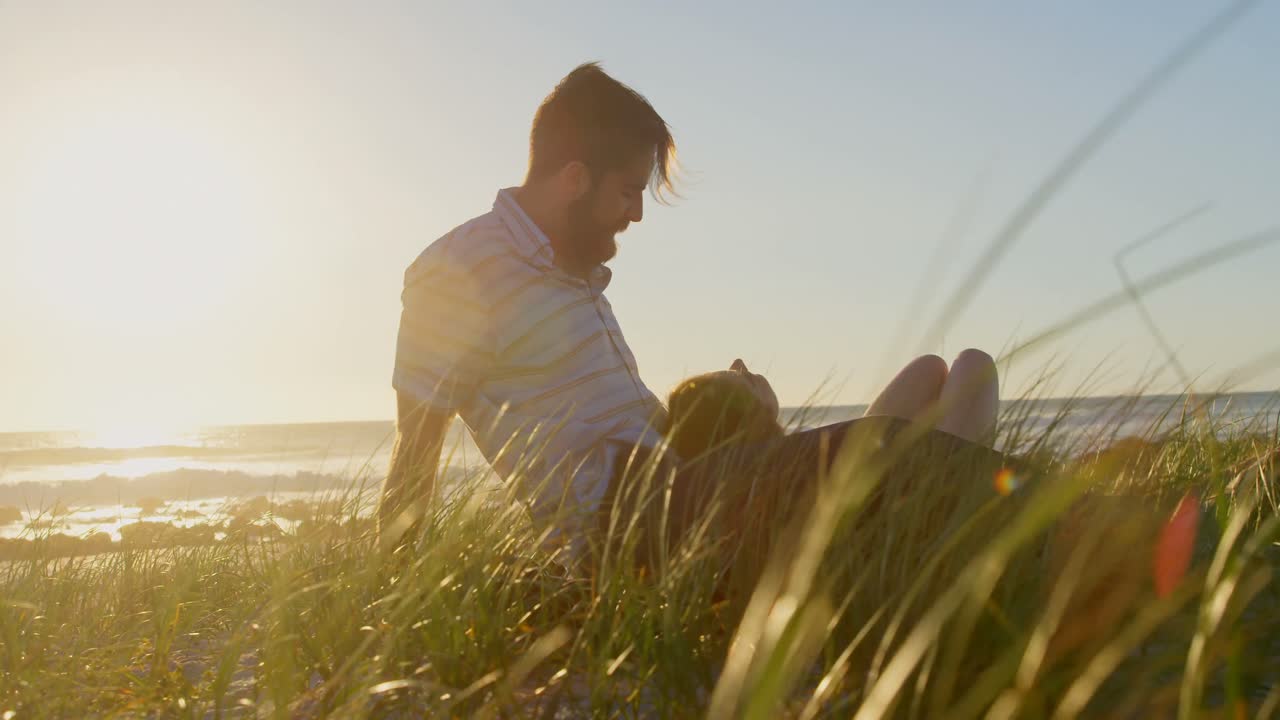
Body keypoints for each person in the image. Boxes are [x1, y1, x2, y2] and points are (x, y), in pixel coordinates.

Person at [380, 61, 1002, 562]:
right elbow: (418, 442)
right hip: (628, 525)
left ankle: (902, 550)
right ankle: (934, 554)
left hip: (690, 487)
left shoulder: (571, 272)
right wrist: (387, 594)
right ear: (574, 179)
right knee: (895, 438)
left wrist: (729, 407)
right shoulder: (456, 272)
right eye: (628, 191)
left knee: (947, 376)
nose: (638, 213)